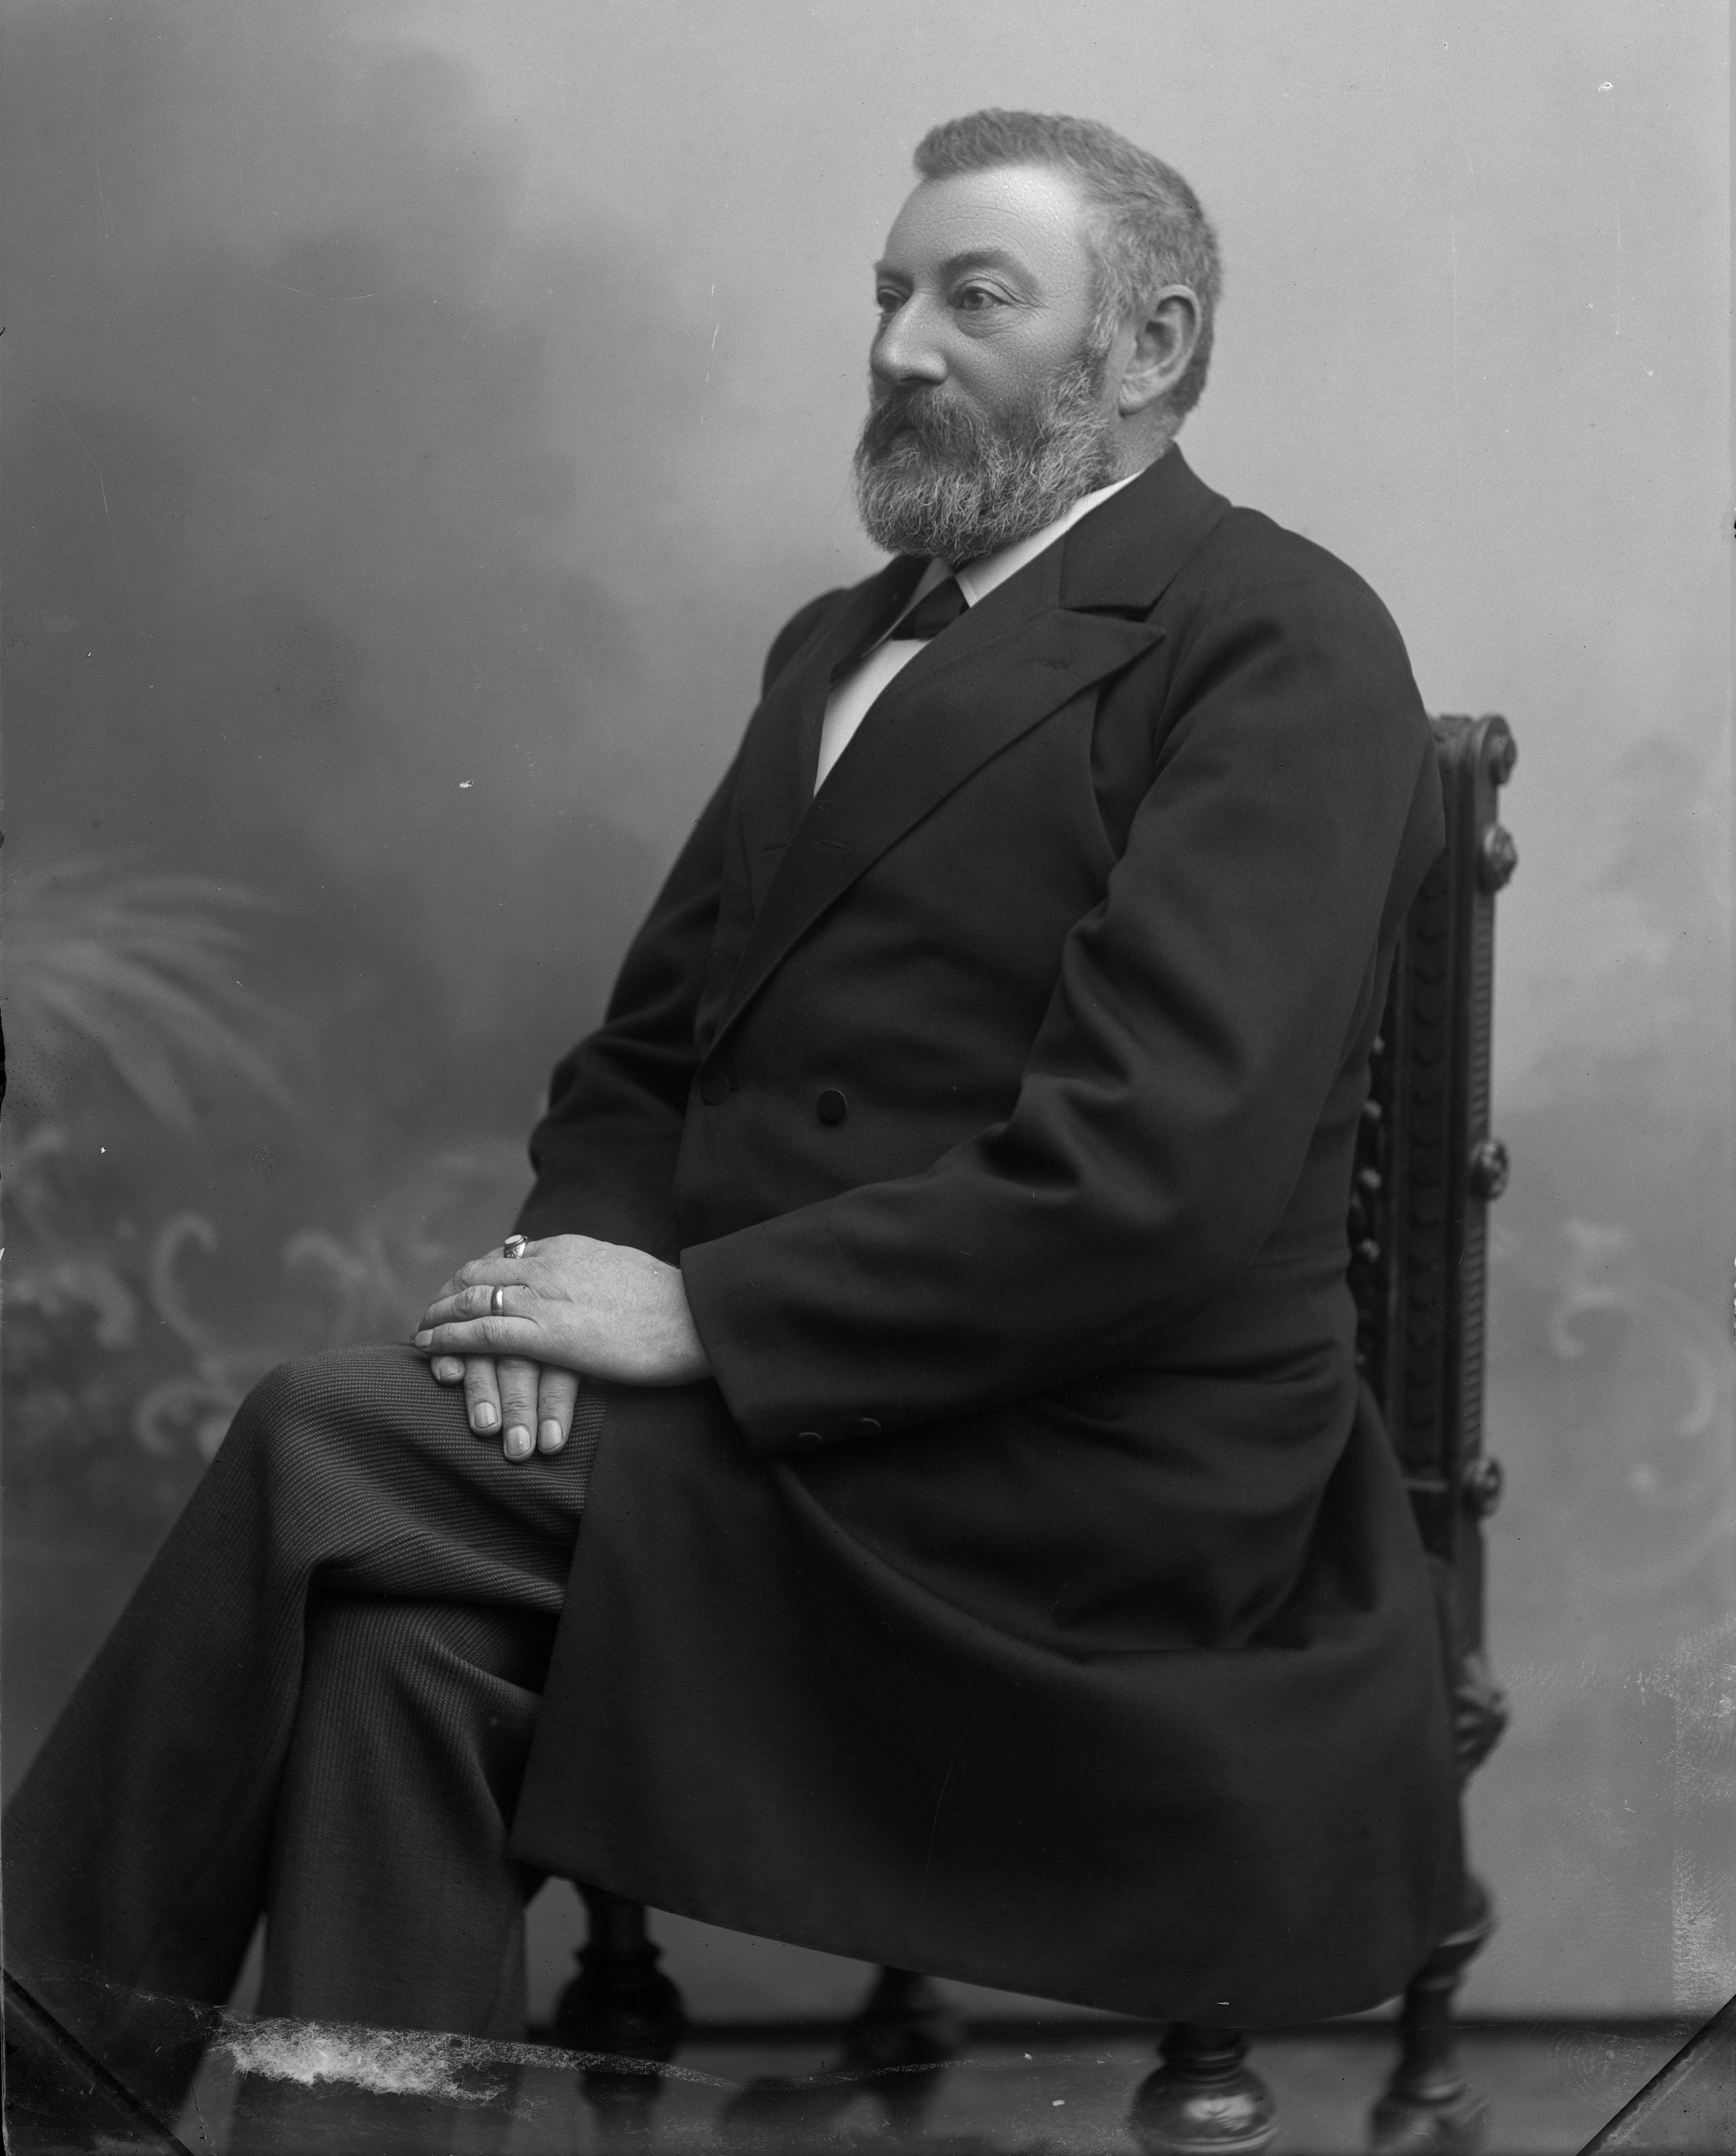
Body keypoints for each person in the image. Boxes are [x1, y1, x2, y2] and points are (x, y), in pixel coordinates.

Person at [4, 110, 1459, 2127]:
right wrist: (569, 1279)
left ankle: (37, 2065)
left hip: (1085, 1460)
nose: (898, 348)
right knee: (403, 1652)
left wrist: (694, 1317)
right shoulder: (838, 642)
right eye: (887, 294)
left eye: (972, 299)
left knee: (321, 1433)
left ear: (1149, 345)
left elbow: (1156, 1177)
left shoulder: (1275, 637)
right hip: (811, 1417)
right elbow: (647, 1056)